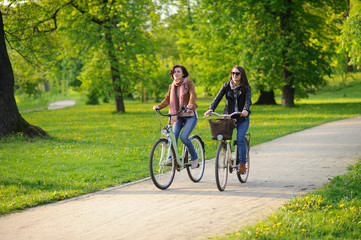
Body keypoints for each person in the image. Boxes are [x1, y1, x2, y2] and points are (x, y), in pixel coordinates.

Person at [204, 65, 252, 174]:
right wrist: (211, 108)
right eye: (233, 73)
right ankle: (228, 154)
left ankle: (242, 165)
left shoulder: (246, 87)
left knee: (239, 139)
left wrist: (245, 110)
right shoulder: (226, 86)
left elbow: (248, 100)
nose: (234, 75)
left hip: (241, 117)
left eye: (237, 73)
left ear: (241, 75)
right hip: (229, 116)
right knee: (223, 138)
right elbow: (217, 98)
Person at [153, 64, 199, 169]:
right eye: (174, 72)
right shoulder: (172, 86)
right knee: (173, 136)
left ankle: (194, 157)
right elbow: (167, 99)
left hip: (190, 114)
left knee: (183, 137)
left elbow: (193, 94)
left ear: (183, 73)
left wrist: (191, 104)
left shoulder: (189, 83)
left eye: (178, 71)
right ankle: (171, 158)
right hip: (177, 115)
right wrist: (158, 106)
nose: (176, 73)